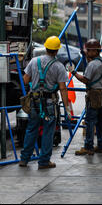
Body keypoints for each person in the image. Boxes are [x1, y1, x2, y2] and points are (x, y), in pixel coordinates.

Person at [19, 36, 71, 170]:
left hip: (34, 101)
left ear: (46, 48)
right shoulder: (59, 67)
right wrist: (67, 107)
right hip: (49, 103)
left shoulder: (34, 61)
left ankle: (24, 159)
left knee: (31, 129)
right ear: (57, 51)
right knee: (48, 131)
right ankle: (43, 162)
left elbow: (25, 80)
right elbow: (63, 88)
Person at [69, 38, 102, 155]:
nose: (87, 52)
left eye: (89, 50)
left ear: (95, 51)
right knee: (100, 121)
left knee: (90, 121)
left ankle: (88, 147)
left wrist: (74, 72)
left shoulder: (93, 64)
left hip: (94, 94)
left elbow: (85, 80)